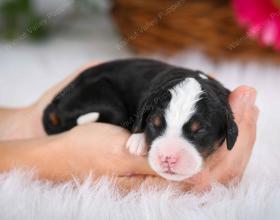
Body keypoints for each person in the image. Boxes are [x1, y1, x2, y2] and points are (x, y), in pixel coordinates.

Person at [0, 62, 259, 191]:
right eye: (157, 127)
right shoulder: (148, 102)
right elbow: (144, 108)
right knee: (97, 109)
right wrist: (50, 153)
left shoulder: (220, 107)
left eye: (197, 132)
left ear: (228, 130)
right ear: (146, 117)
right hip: (103, 88)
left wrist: (26, 124)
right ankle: (59, 123)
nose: (168, 156)